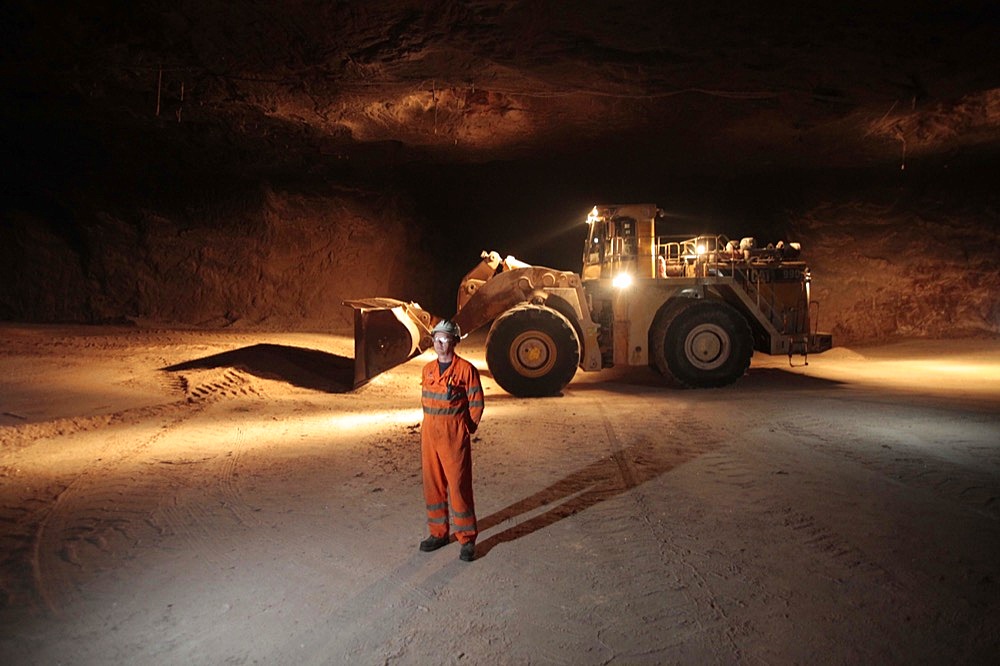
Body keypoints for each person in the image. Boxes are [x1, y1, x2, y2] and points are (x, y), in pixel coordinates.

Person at [418, 319, 484, 562]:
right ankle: (438, 533)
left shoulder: (466, 370)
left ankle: (466, 537)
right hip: (429, 435)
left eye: (445, 338)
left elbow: (476, 403)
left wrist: (467, 428)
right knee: (432, 486)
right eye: (436, 338)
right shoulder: (427, 370)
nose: (439, 343)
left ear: (454, 341)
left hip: (453, 435)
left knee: (458, 487)